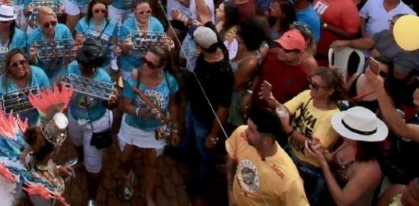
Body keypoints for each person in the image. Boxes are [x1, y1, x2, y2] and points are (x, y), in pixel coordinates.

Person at [269, 67, 348, 199]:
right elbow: (286, 109)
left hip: (307, 167)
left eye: (316, 86)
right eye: (310, 82)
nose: (311, 87)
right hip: (290, 153)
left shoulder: (332, 117)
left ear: (330, 91)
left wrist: (289, 130)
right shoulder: (308, 95)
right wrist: (276, 105)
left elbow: (313, 146)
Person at [118, 45, 181, 206]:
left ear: (162, 66)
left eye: (151, 64)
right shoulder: (135, 78)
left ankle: (148, 195)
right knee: (125, 158)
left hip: (156, 128)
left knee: (152, 162)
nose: (145, 65)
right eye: (144, 60)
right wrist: (139, 112)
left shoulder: (169, 80)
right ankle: (128, 176)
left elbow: (173, 105)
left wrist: (174, 128)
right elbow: (126, 105)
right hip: (133, 125)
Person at [64, 39, 117, 206]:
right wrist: (63, 86)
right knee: (76, 141)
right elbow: (66, 88)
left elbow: (110, 104)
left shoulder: (104, 78)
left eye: (85, 63)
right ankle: (80, 158)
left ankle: (92, 196)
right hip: (74, 115)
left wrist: (111, 101)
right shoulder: (72, 67)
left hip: (96, 122)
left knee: (93, 167)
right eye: (80, 61)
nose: (81, 65)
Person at [184, 25, 233, 196]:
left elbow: (223, 108)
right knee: (189, 133)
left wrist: (213, 135)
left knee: (205, 153)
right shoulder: (215, 44)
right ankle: (184, 152)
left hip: (205, 119)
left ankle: (202, 181)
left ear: (200, 47)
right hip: (193, 106)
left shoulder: (224, 73)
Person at [225, 108, 309, 206]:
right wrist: (231, 193)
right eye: (248, 126)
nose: (245, 131)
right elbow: (231, 161)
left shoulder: (290, 180)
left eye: (251, 130)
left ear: (267, 140)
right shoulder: (241, 132)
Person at [305, 106, 386, 206]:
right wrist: (320, 150)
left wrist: (323, 164)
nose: (342, 134)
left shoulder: (369, 170)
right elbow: (332, 158)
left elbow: (342, 201)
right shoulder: (349, 143)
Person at [0, 49, 51, 124]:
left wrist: (46, 96)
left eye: (22, 62)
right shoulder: (0, 82)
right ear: (9, 68)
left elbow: (51, 97)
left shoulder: (39, 74)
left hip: (37, 120)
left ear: (27, 62)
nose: (19, 66)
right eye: (14, 65)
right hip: (12, 124)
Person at [313, 0, 361, 64]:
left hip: (328, 53)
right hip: (312, 46)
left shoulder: (348, 7)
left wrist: (326, 25)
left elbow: (351, 34)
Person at [27, 6, 74, 84]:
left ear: (57, 20)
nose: (50, 27)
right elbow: (30, 65)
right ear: (39, 24)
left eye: (53, 23)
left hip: (60, 71)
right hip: (41, 75)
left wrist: (66, 75)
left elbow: (71, 57)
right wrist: (33, 57)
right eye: (46, 25)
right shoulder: (33, 38)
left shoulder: (63, 30)